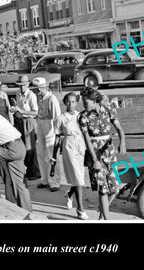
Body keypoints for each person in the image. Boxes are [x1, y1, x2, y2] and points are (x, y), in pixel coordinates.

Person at [77, 87, 126, 220]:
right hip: (95, 154)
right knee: (102, 189)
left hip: (109, 153)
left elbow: (119, 128)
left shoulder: (109, 110)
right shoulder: (83, 117)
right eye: (83, 102)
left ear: (95, 101)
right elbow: (87, 139)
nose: (84, 104)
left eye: (86, 102)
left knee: (115, 188)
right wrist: (94, 160)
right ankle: (106, 219)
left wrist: (122, 142)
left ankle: (102, 211)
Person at [54, 92, 88, 220]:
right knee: (78, 177)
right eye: (68, 101)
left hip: (81, 146)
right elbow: (57, 139)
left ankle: (70, 194)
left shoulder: (81, 116)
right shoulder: (60, 119)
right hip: (68, 147)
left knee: (78, 176)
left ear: (77, 102)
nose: (71, 104)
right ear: (64, 103)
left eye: (73, 101)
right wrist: (53, 156)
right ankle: (80, 209)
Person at [32, 77, 61, 192]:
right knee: (40, 152)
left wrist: (56, 132)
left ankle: (54, 181)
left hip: (50, 125)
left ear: (44, 87)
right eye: (36, 89)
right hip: (41, 123)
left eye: (39, 89)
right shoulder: (39, 98)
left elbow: (56, 117)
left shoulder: (51, 99)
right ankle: (45, 179)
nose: (37, 91)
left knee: (51, 154)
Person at [11, 75, 40, 180]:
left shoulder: (31, 95)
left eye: (24, 85)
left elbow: (35, 112)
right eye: (20, 85)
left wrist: (22, 111)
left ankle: (35, 171)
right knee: (22, 147)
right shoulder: (18, 94)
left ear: (28, 85)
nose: (22, 87)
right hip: (19, 122)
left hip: (28, 121)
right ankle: (29, 169)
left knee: (30, 148)